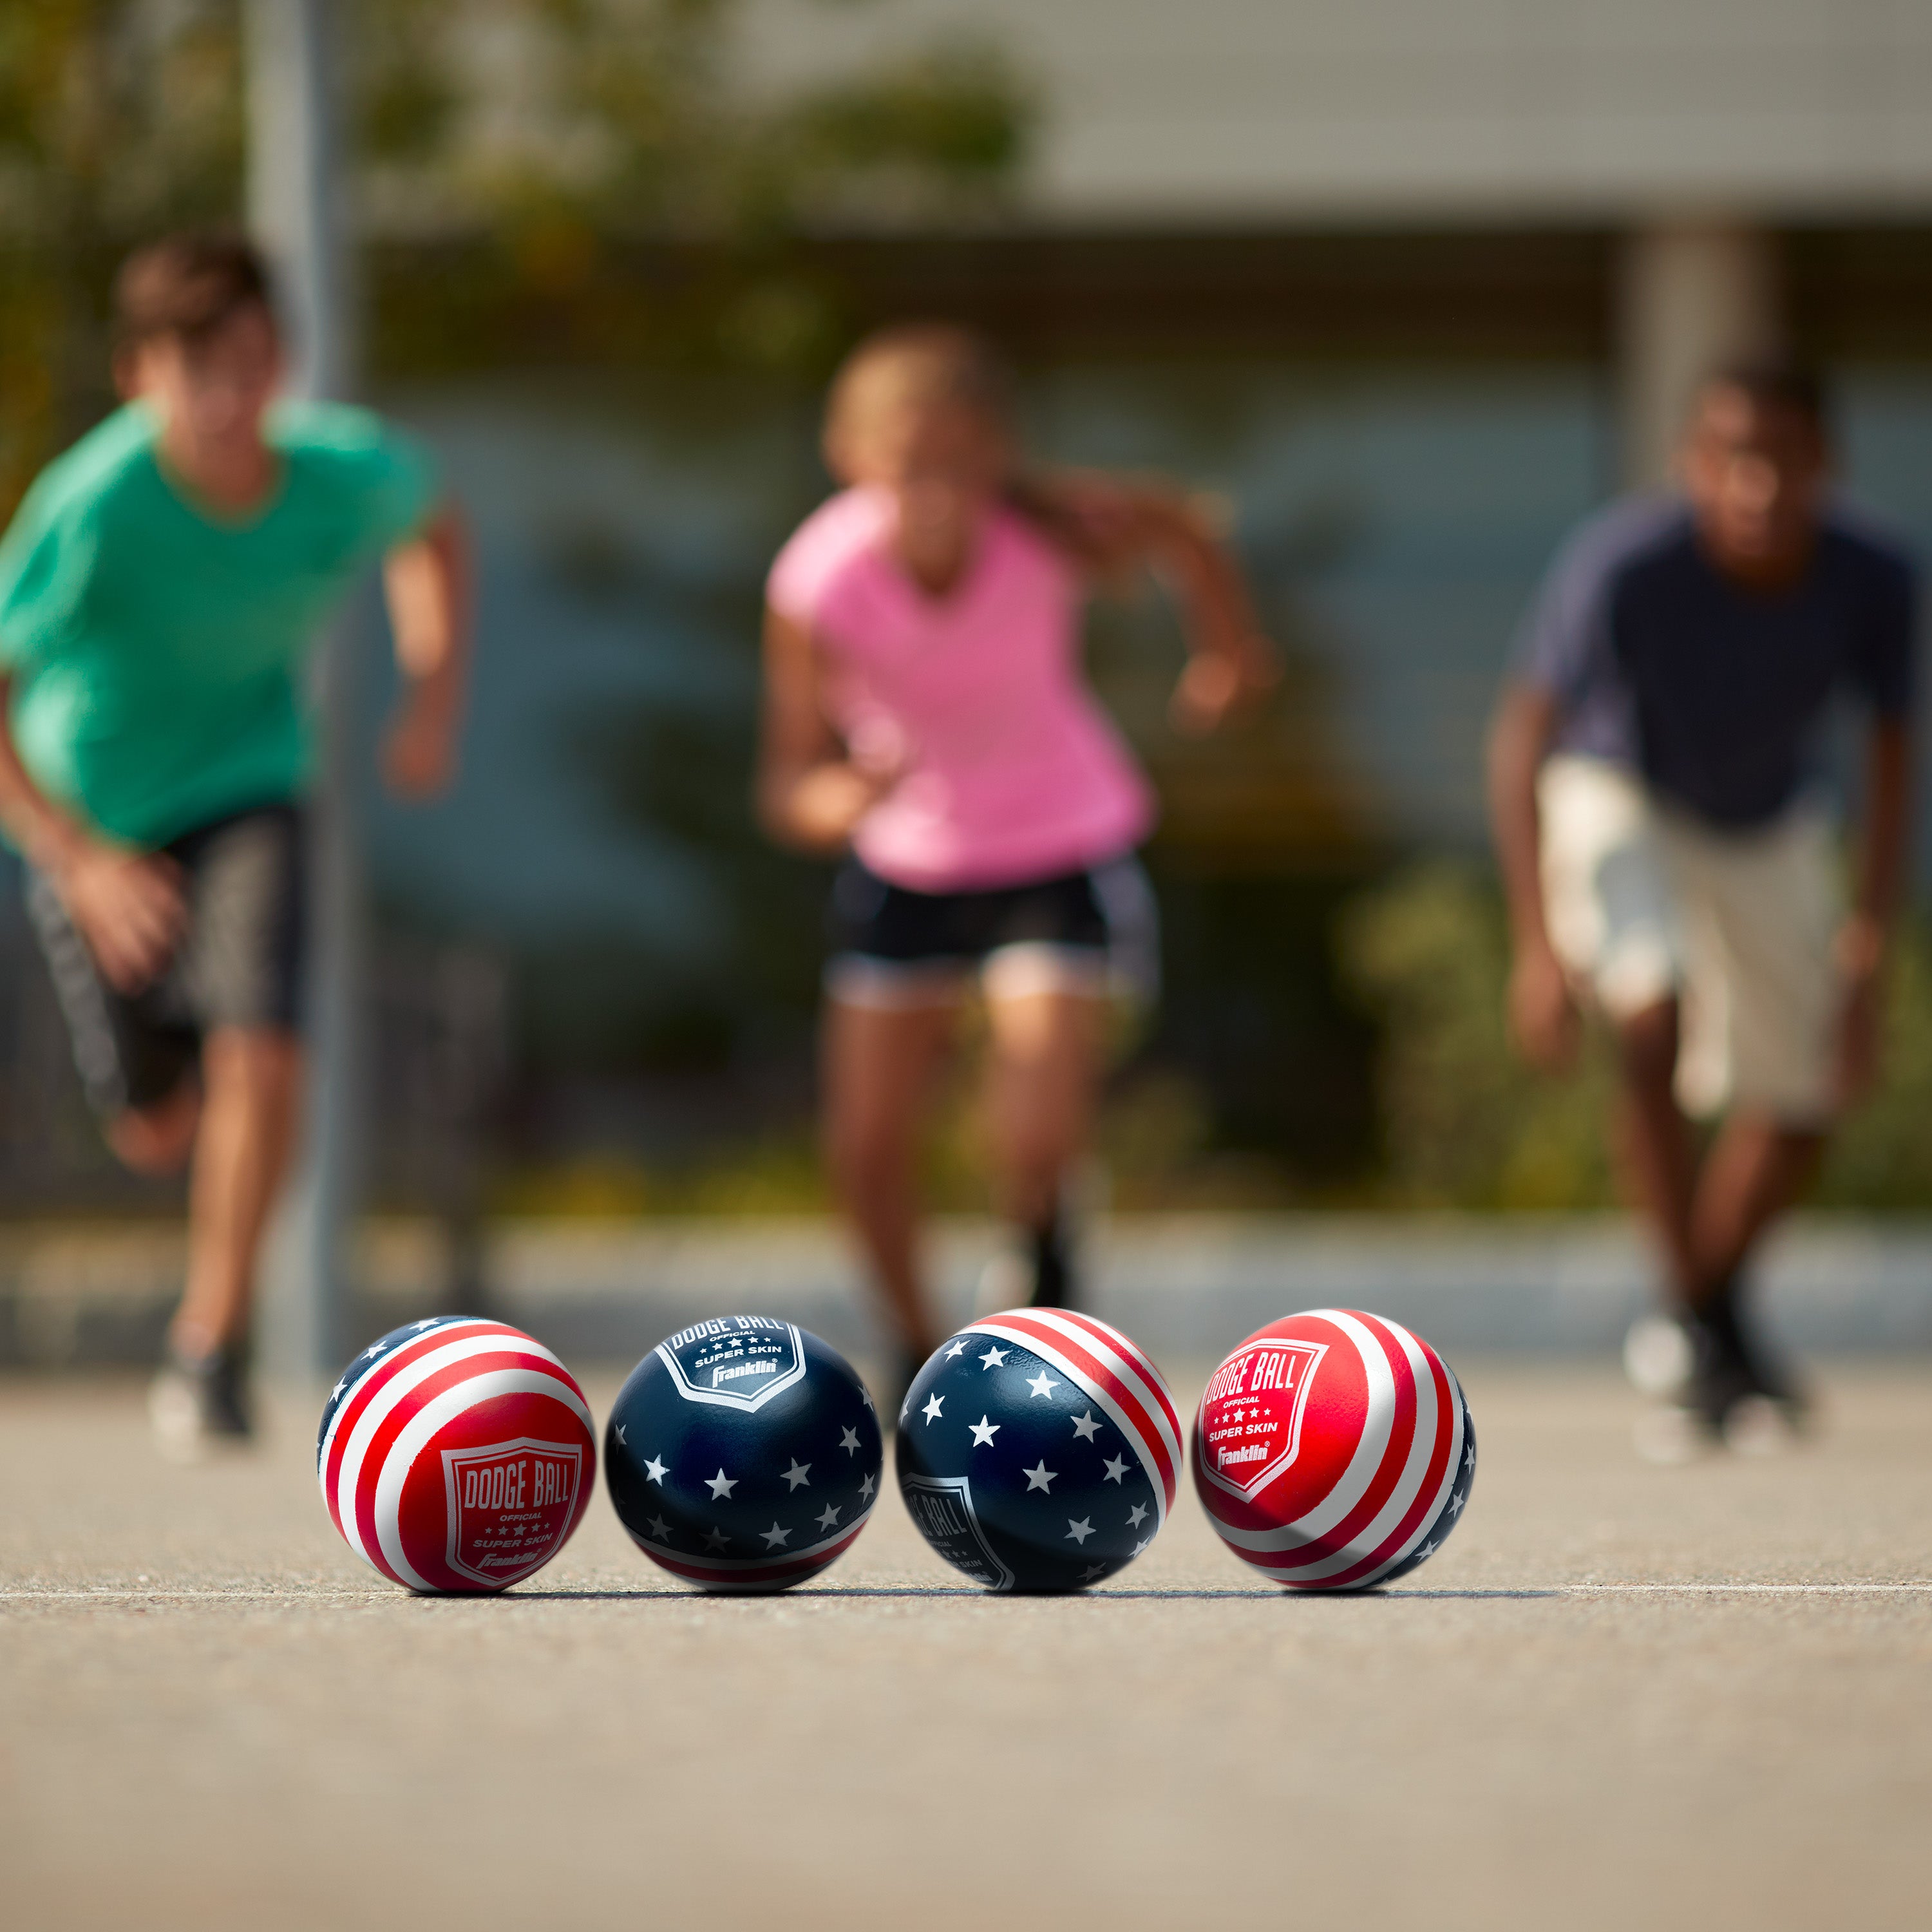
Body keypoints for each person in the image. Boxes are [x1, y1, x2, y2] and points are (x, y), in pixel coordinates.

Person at [0, 231, 469, 1457]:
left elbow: (433, 528)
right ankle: (163, 1090)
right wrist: (77, 862)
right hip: (100, 813)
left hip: (254, 777)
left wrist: (430, 691)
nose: (225, 396)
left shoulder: (342, 470)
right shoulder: (93, 505)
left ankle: (209, 1345)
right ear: (137, 378)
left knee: (264, 1045)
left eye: (250, 363)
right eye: (193, 369)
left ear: (282, 363)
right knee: (157, 1130)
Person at [758, 323, 1276, 1388]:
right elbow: (788, 781)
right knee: (865, 1146)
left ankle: (1042, 1249)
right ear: (850, 457)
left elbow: (1185, 528)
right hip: (908, 864)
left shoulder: (1045, 533)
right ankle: (917, 1355)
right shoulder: (817, 581)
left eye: (961, 461)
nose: (936, 490)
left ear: (999, 456)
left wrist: (1229, 649)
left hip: (1056, 845)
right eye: (910, 464)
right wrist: (839, 798)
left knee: (1031, 1121)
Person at [1487, 361, 1917, 1455]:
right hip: (1621, 787)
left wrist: (1868, 939)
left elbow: (1891, 752)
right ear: (1692, 466)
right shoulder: (1624, 563)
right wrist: (1535, 946)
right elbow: (1521, 736)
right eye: (1734, 458)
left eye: (1785, 458)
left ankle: (1701, 1319)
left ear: (1825, 466)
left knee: (1808, 1084)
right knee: (1650, 1017)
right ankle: (1710, 1334)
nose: (1759, 485)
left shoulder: (1876, 576)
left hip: (1772, 819)